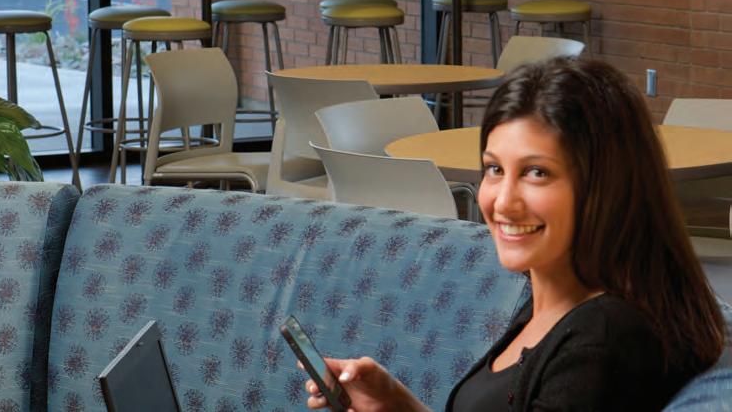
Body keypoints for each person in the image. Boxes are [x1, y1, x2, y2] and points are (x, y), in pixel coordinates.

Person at [302, 56, 726, 411]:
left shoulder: (603, 342)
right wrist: (399, 405)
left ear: (605, 186)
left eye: (536, 172)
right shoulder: (558, 295)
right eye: (494, 169)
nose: (503, 202)